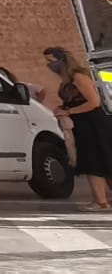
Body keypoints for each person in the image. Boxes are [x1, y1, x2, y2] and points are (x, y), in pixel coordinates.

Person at [45, 46, 112, 210]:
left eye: (51, 61)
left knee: (94, 161)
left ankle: (100, 201)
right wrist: (62, 108)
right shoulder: (66, 80)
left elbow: (93, 102)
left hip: (92, 123)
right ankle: (100, 199)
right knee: (93, 160)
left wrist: (69, 111)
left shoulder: (79, 78)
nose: (49, 65)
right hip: (80, 124)